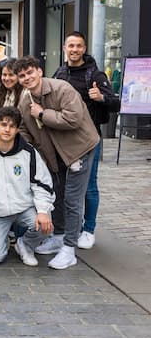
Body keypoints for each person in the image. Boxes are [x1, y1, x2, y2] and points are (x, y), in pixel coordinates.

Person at [16, 56, 99, 270]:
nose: (27, 78)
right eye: (22, 76)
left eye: (30, 72)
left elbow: (74, 118)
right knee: (58, 195)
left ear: (39, 71)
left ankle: (69, 249)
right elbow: (24, 129)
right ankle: (60, 236)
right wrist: (30, 148)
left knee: (72, 199)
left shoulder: (62, 88)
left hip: (79, 149)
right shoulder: (25, 101)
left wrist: (43, 113)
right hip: (54, 156)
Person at [53, 31, 120, 249]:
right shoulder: (60, 73)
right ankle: (69, 227)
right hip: (64, 139)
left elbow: (116, 103)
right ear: (64, 48)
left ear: (84, 48)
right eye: (71, 46)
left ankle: (88, 230)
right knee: (65, 186)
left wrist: (101, 97)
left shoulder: (95, 75)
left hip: (89, 140)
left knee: (89, 185)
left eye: (79, 46)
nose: (74, 50)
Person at [0, 106, 54, 266]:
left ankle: (25, 245)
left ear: (17, 129)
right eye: (3, 124)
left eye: (12, 126)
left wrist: (43, 211)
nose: (7, 130)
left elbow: (42, 183)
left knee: (46, 225)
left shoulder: (28, 152)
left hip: (24, 208)